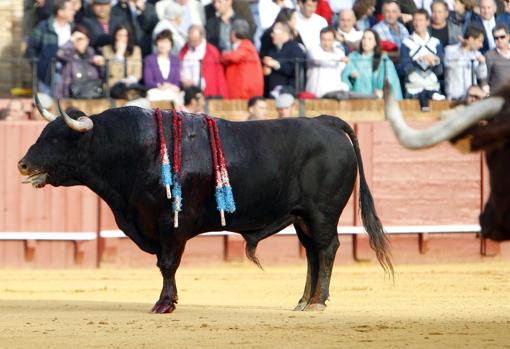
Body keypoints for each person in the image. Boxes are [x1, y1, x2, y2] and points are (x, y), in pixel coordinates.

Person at [26, 0, 76, 95]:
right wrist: (37, 67)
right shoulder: (44, 27)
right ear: (60, 12)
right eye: (70, 10)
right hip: (47, 74)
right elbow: (31, 48)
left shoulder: (74, 28)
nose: (74, 12)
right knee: (47, 105)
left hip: (69, 75)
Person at [399, 9, 444, 111]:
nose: (417, 23)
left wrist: (435, 61)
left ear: (427, 22)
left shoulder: (435, 42)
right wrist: (418, 61)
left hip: (433, 88)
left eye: (420, 20)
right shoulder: (406, 43)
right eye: (415, 20)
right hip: (413, 89)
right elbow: (402, 69)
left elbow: (440, 71)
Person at [342, 29, 402, 99]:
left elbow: (390, 79)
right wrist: (351, 76)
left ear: (375, 43)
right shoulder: (353, 57)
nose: (366, 41)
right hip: (356, 98)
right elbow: (345, 77)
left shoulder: (383, 59)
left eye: (370, 39)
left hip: (377, 99)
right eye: (364, 38)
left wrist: (383, 91)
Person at [55, 24, 105, 98]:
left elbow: (104, 76)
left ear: (88, 40)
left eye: (83, 39)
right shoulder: (68, 56)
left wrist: (102, 66)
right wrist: (70, 41)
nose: (80, 42)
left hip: (94, 97)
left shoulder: (93, 55)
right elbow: (60, 54)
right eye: (77, 39)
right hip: (71, 98)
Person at [179, 25, 228, 98]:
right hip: (187, 92)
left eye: (195, 40)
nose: (192, 43)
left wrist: (194, 82)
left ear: (201, 37)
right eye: (190, 40)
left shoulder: (211, 52)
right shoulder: (184, 51)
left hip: (207, 93)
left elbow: (216, 77)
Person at [221, 19, 264, 99]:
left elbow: (234, 57)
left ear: (233, 34)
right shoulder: (247, 45)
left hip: (244, 93)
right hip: (244, 92)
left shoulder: (246, 46)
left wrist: (223, 56)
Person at [262, 21, 307, 97]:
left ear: (284, 33)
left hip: (287, 93)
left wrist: (276, 64)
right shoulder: (272, 50)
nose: (271, 35)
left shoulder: (295, 49)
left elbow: (296, 70)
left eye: (274, 33)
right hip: (270, 94)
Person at [444, 25, 488, 100]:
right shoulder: (450, 50)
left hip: (471, 98)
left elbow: (482, 76)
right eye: (480, 41)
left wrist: (482, 64)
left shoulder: (477, 54)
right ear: (471, 39)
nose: (481, 45)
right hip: (454, 98)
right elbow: (448, 64)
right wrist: (462, 50)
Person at [102, 24, 144, 99]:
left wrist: (130, 79)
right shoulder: (106, 50)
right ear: (115, 36)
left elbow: (138, 72)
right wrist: (119, 54)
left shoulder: (136, 50)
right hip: (113, 86)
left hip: (130, 85)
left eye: (125, 35)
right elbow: (111, 72)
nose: (122, 38)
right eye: (120, 35)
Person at [306, 26, 349, 97]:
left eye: (329, 40)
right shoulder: (314, 50)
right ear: (319, 39)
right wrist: (339, 58)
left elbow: (341, 69)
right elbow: (317, 58)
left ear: (334, 40)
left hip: (334, 94)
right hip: (316, 95)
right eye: (323, 39)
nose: (326, 43)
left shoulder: (339, 52)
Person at [143, 29, 182, 102]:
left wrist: (169, 86)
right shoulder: (149, 60)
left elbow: (177, 83)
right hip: (155, 95)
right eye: (160, 41)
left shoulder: (175, 60)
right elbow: (148, 82)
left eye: (166, 42)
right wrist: (161, 85)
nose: (163, 45)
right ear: (156, 43)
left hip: (172, 94)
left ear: (171, 44)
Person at [485, 24, 510, 93]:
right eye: (496, 38)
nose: (499, 40)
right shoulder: (489, 55)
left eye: (502, 37)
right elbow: (484, 79)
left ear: (508, 37)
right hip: (498, 96)